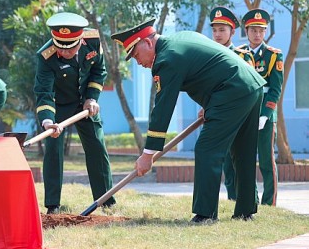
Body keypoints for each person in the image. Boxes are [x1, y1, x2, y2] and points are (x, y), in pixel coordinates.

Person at [112, 19, 265, 223]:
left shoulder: (166, 59)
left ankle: (205, 214)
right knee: (242, 150)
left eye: (136, 55)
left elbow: (163, 108)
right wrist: (210, 104)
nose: (138, 62)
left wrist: (148, 154)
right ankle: (246, 212)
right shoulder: (181, 38)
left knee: (207, 149)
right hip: (250, 85)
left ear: (148, 43)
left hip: (231, 91)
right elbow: (208, 69)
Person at [34, 12, 114, 215]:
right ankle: (53, 205)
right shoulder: (46, 56)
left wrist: (92, 97)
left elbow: (99, 71)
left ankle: (106, 200)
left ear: (80, 41)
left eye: (70, 49)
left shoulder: (93, 40)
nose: (64, 52)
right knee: (53, 148)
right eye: (60, 47)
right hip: (58, 106)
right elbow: (44, 93)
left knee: (97, 145)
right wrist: (47, 122)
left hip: (86, 102)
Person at [235, 8, 283, 206]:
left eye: (261, 30)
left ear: (265, 32)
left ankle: (269, 202)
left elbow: (275, 89)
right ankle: (250, 200)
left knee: (266, 159)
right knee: (245, 160)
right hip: (245, 113)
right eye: (253, 30)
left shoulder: (273, 55)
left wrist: (265, 114)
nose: (257, 34)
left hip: (265, 114)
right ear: (247, 31)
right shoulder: (237, 54)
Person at [207, 6, 255, 201]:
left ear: (232, 32)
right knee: (226, 161)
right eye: (215, 30)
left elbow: (252, 88)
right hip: (219, 115)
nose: (218, 35)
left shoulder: (244, 56)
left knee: (242, 160)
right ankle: (232, 199)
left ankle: (249, 202)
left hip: (242, 115)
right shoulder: (209, 56)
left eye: (222, 30)